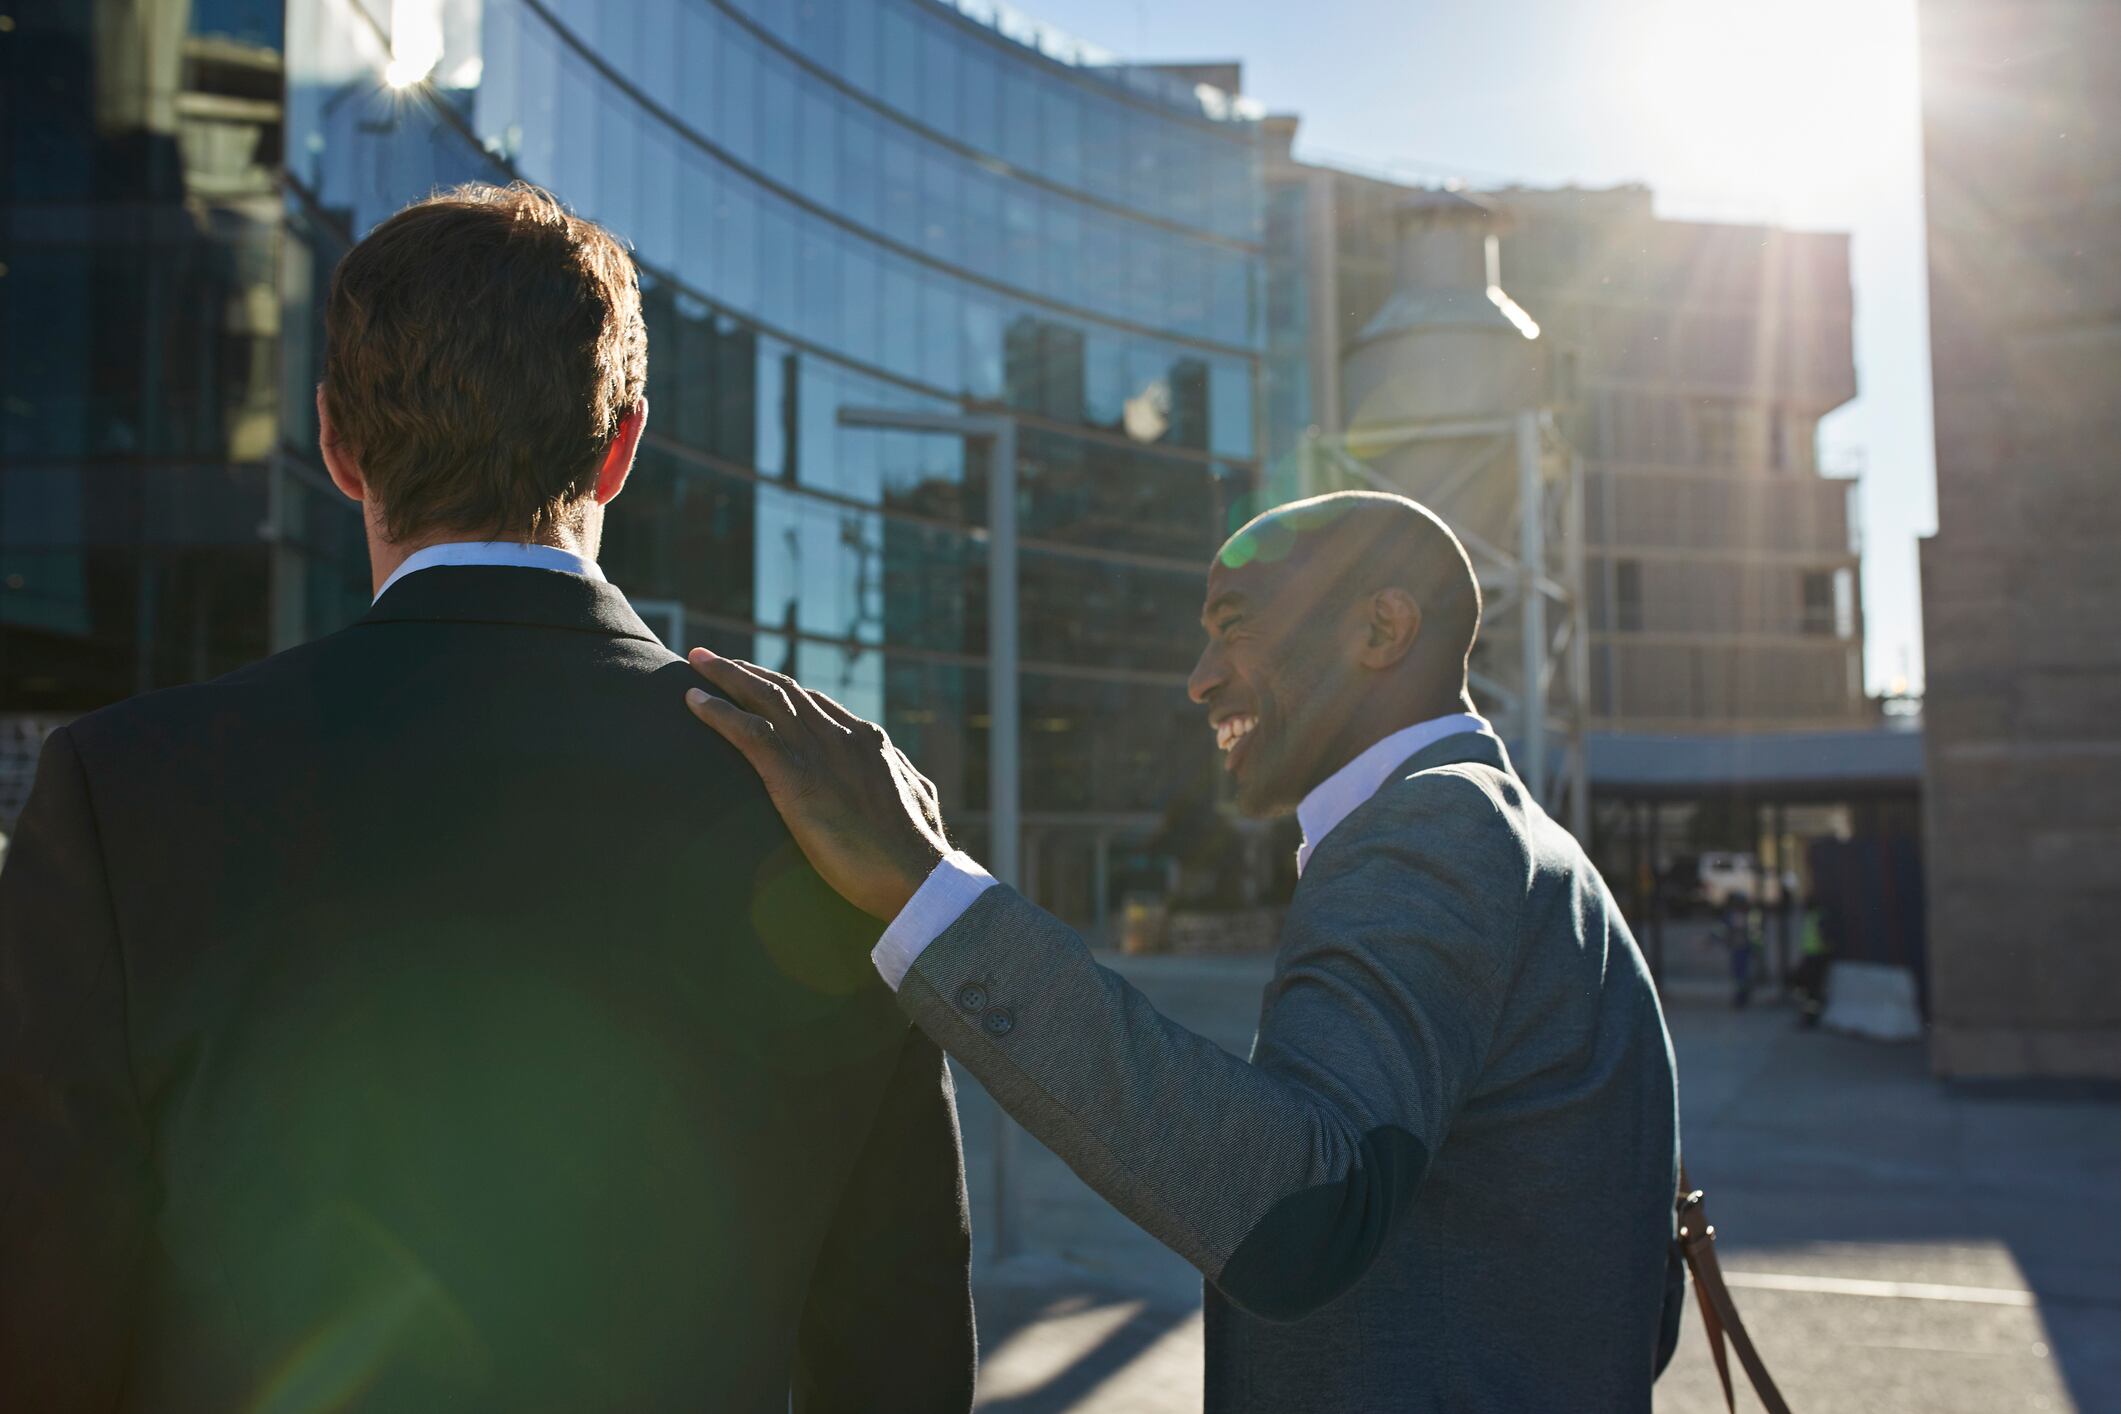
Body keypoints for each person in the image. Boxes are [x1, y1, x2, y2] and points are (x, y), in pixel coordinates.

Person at [0, 184, 973, 1413]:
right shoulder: (836, 810)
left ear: (335, 444)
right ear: (623, 447)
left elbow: (44, 1300)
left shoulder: (121, 791)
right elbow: (899, 1332)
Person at [684, 491, 1684, 1410]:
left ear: (1381, 629)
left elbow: (1300, 1207)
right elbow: (1631, 1308)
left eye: (1235, 628)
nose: (1200, 679)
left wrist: (926, 891)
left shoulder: (1427, 830)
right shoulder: (1518, 846)